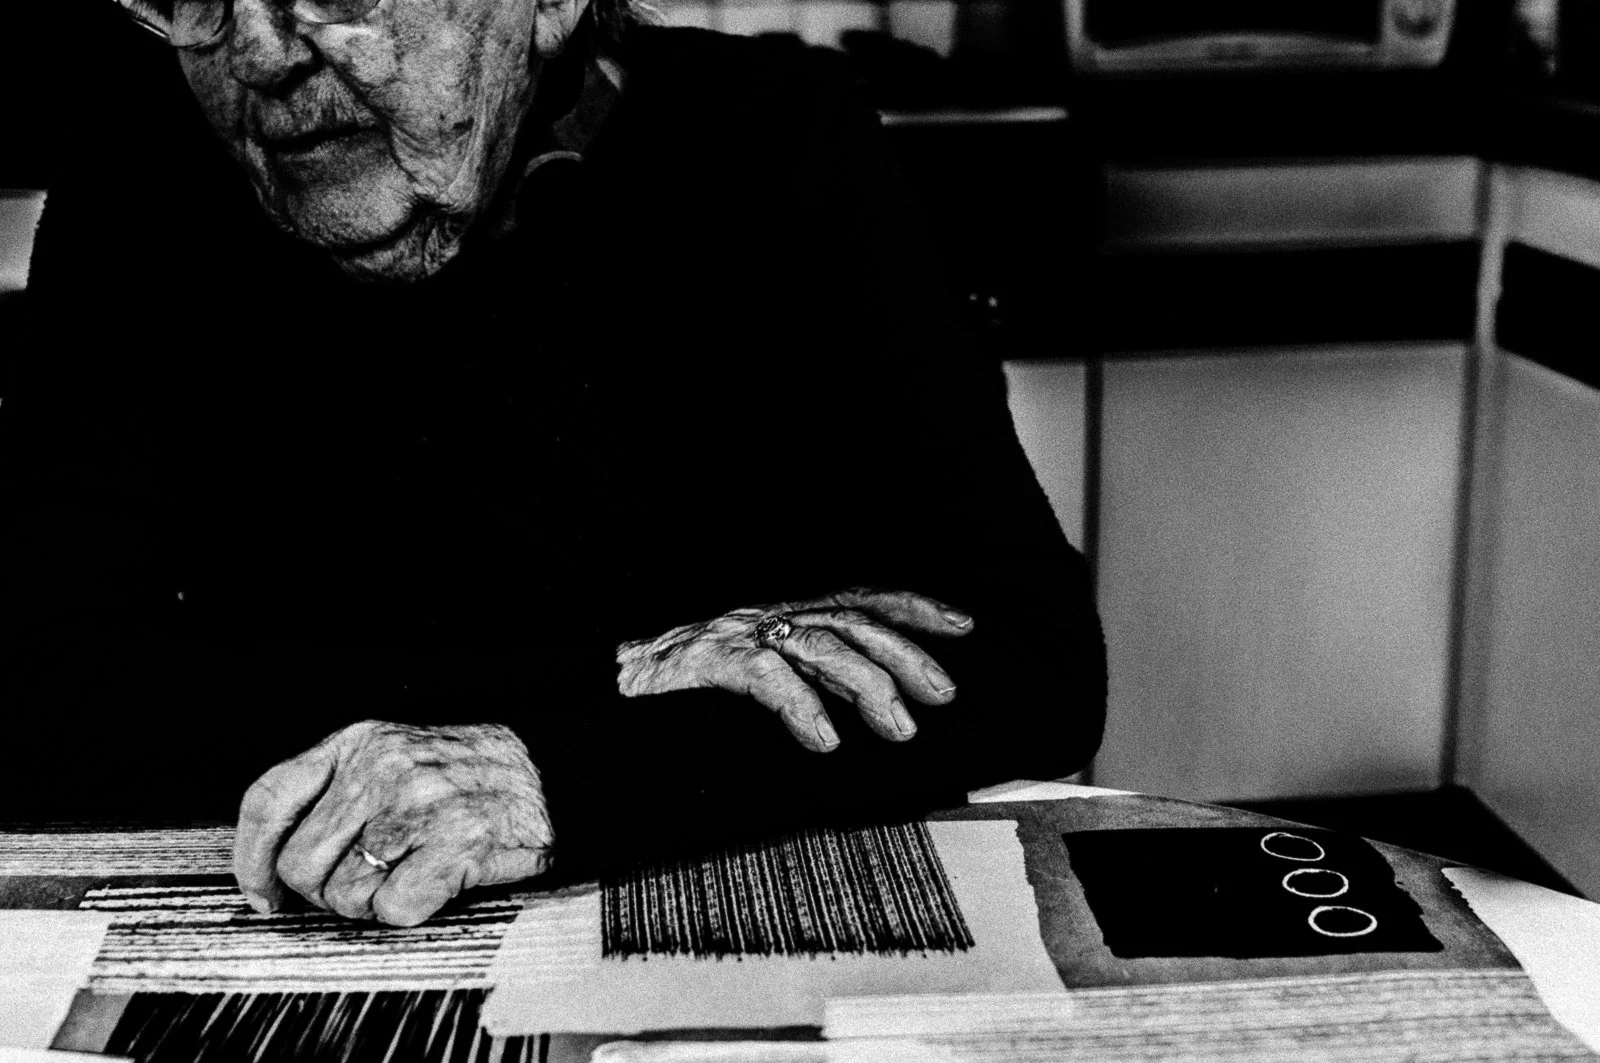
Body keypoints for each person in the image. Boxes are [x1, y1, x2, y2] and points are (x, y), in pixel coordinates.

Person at [2, 0, 1106, 927]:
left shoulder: (771, 139)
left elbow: (1026, 661)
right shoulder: (150, 167)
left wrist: (560, 781)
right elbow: (38, 699)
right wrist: (611, 676)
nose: (260, 52)